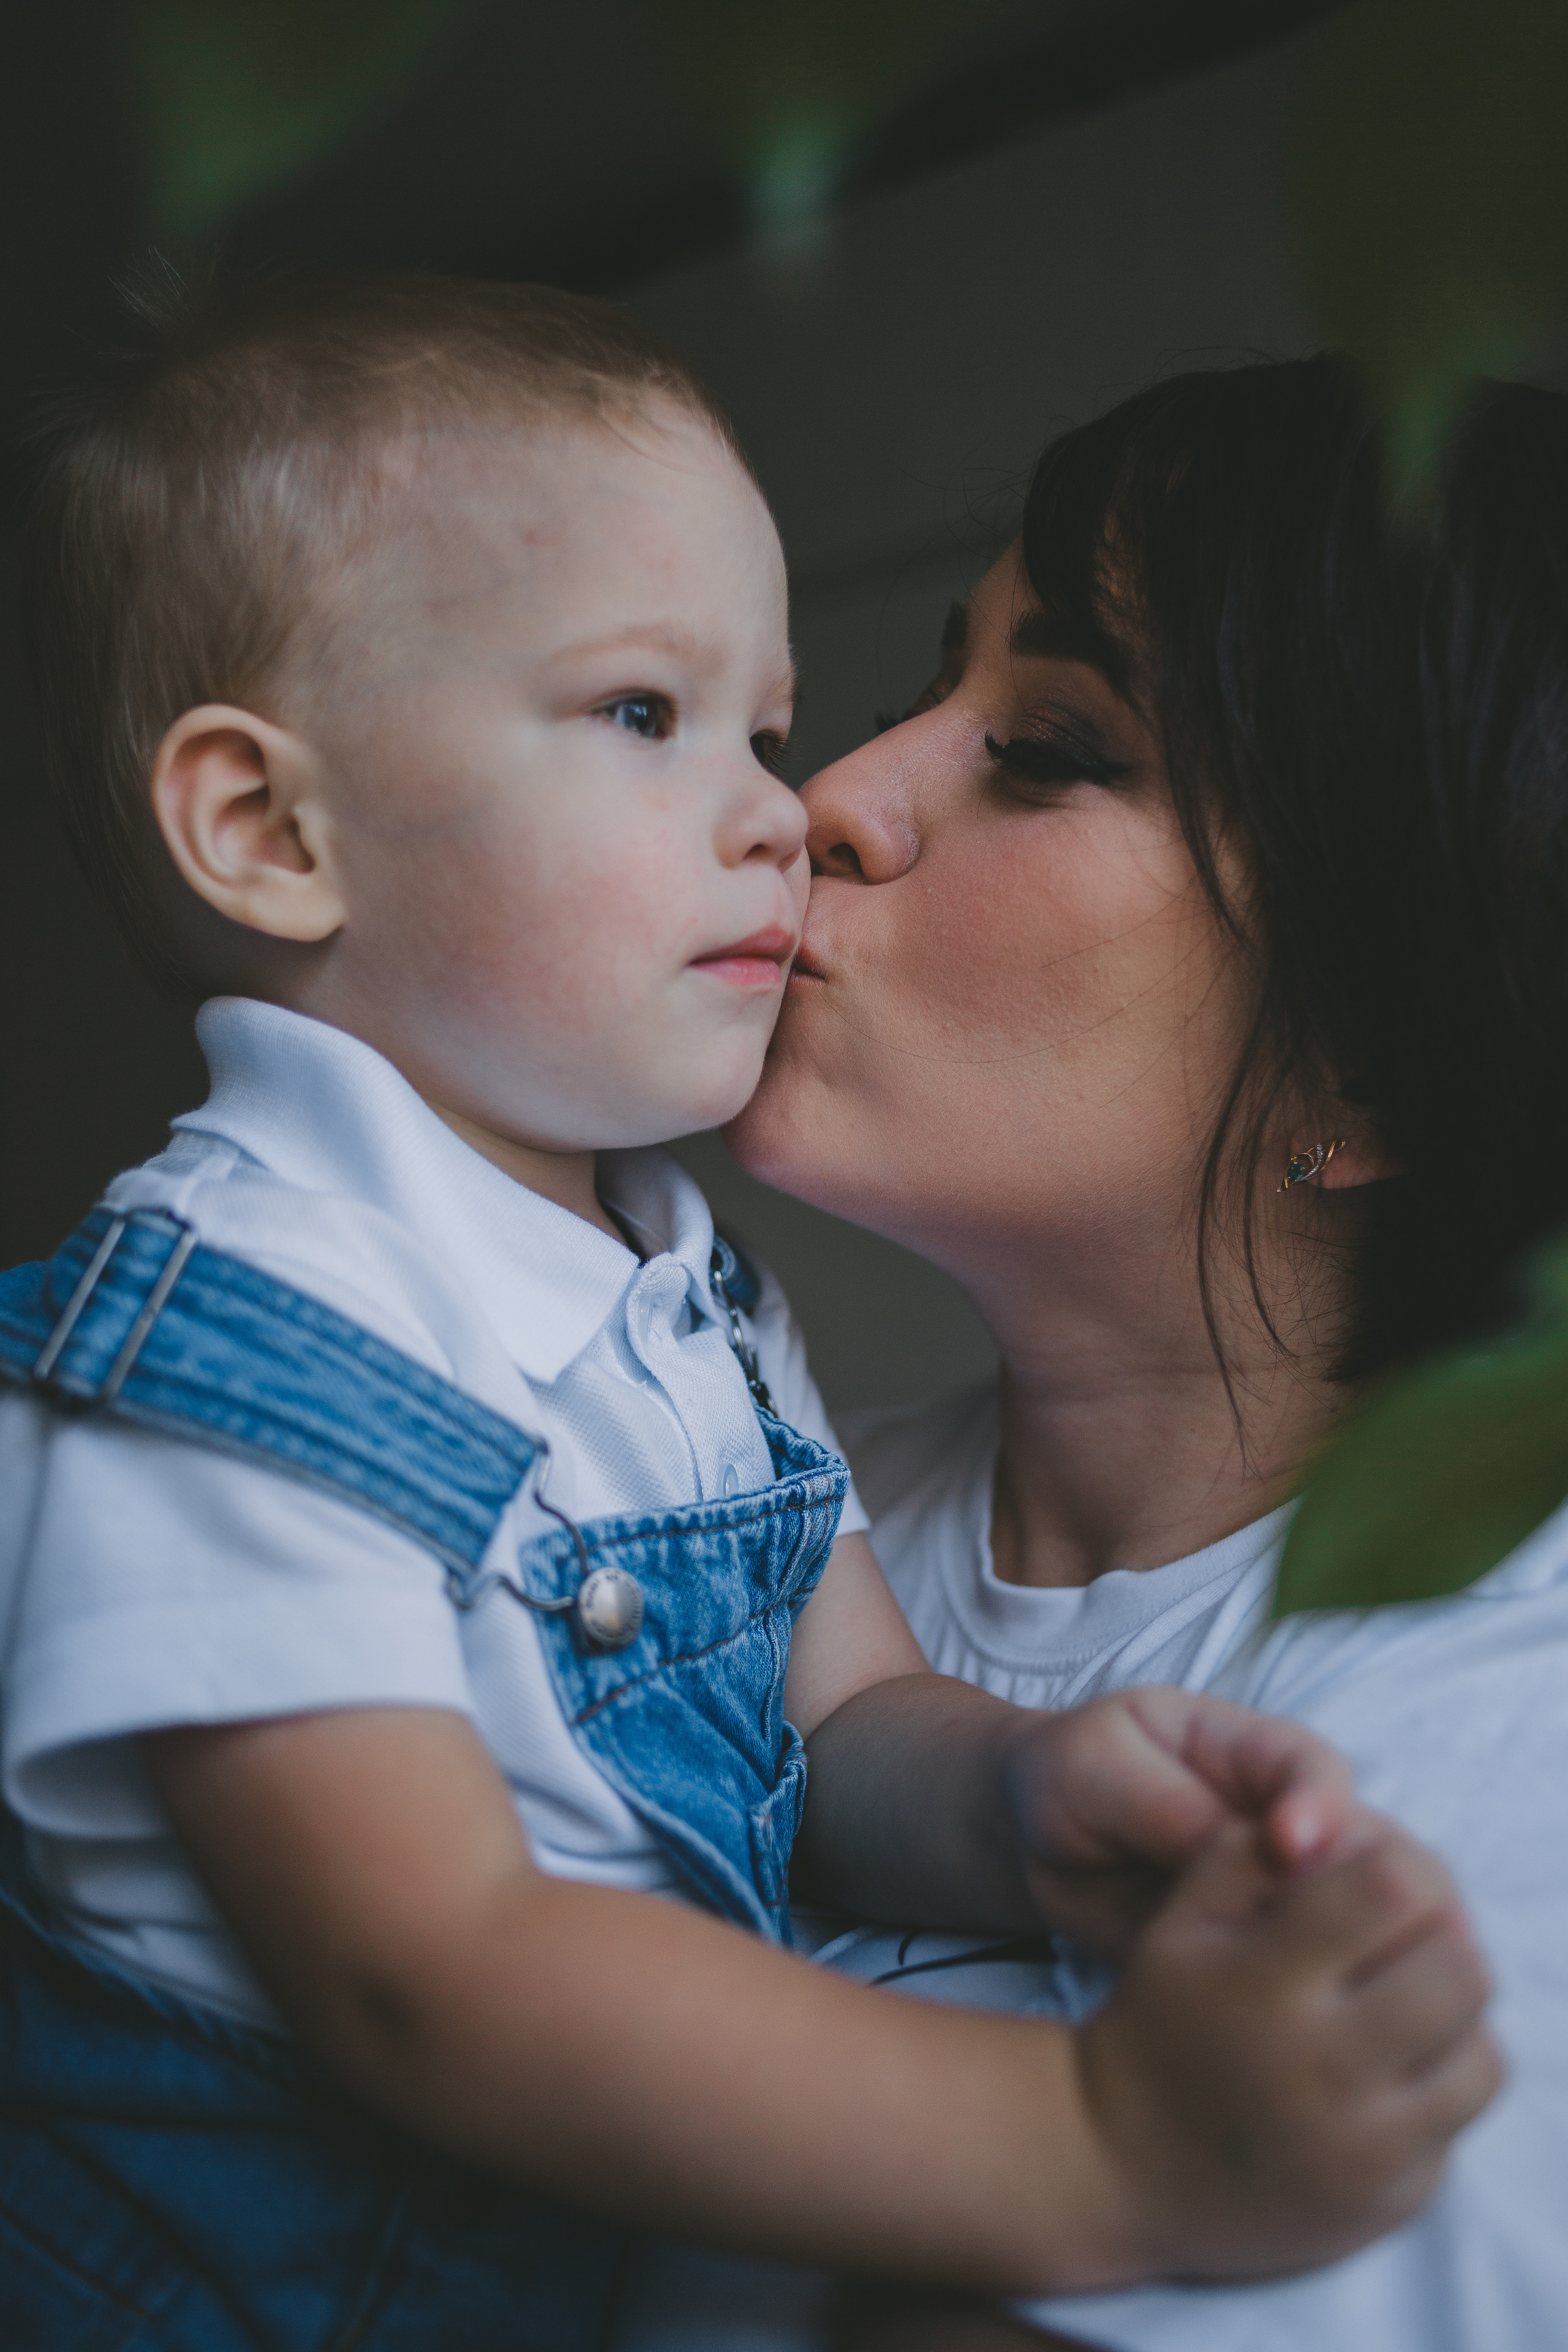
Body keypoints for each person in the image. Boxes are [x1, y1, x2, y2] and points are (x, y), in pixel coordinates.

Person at [0, 279, 1496, 2348]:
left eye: (763, 731)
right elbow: (431, 1968)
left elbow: (849, 1725)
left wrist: (1021, 1797)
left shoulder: (678, 1294)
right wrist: (1090, 2139)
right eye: (644, 716)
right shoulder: (236, 1340)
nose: (803, 805)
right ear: (268, 829)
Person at [716, 357, 1568, 2348]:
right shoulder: (731, 1504)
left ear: (1372, 1060)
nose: (824, 800)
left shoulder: (1516, 1709)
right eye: (927, 689)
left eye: (1046, 748)